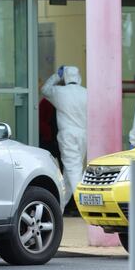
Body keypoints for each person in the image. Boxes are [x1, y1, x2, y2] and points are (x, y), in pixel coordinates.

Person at [41, 66, 87, 202]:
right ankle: (60, 205)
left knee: (73, 169)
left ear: (65, 77)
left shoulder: (59, 92)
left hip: (67, 135)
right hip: (84, 135)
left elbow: (44, 89)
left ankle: (83, 202)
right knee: (70, 171)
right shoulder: (86, 93)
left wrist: (56, 76)